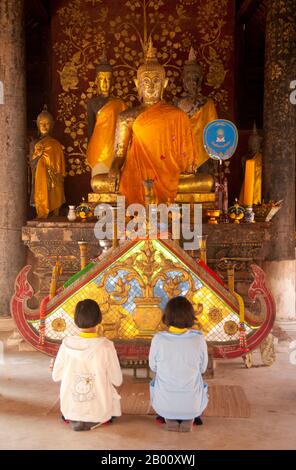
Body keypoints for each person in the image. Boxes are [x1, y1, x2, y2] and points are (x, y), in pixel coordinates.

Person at [109, 39, 198, 205]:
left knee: (205, 182)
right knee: (98, 183)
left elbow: (186, 159)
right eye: (146, 81)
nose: (150, 86)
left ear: (164, 84)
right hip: (136, 172)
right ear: (138, 84)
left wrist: (186, 167)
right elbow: (119, 153)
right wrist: (114, 168)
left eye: (156, 81)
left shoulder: (177, 115)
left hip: (168, 172)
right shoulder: (127, 116)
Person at [52, 299, 123, 431]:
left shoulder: (66, 344)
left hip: (70, 410)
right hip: (100, 412)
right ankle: (93, 419)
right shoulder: (106, 346)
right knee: (112, 393)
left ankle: (77, 417)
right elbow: (117, 380)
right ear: (99, 319)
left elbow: (56, 376)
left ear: (76, 320)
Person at [149, 296, 208, 432]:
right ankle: (189, 416)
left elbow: (153, 367)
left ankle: (169, 416)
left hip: (163, 406)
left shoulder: (158, 339)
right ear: (191, 316)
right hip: (194, 406)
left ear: (166, 316)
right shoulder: (199, 339)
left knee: (156, 378)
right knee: (197, 377)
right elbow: (203, 368)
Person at [176, 47, 218, 173]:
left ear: (200, 81)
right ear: (183, 81)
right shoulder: (176, 104)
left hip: (203, 154)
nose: (192, 82)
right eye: (188, 79)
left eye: (195, 78)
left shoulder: (207, 103)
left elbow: (214, 131)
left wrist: (214, 156)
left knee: (206, 182)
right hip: (181, 153)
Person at [86, 55, 126, 177]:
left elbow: (124, 131)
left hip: (115, 150)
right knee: (98, 181)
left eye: (108, 79)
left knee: (117, 187)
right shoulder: (92, 103)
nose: (105, 83)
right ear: (97, 81)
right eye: (102, 79)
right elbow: (90, 130)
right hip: (98, 149)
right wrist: (90, 150)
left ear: (112, 81)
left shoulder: (119, 104)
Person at [30, 105, 66, 218]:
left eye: (47, 124)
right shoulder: (34, 143)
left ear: (51, 126)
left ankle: (55, 211)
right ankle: (41, 212)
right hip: (40, 176)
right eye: (41, 124)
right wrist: (38, 157)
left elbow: (61, 164)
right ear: (37, 125)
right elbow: (31, 163)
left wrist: (58, 174)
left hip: (54, 177)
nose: (44, 126)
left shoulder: (56, 144)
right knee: (41, 193)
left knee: (55, 192)